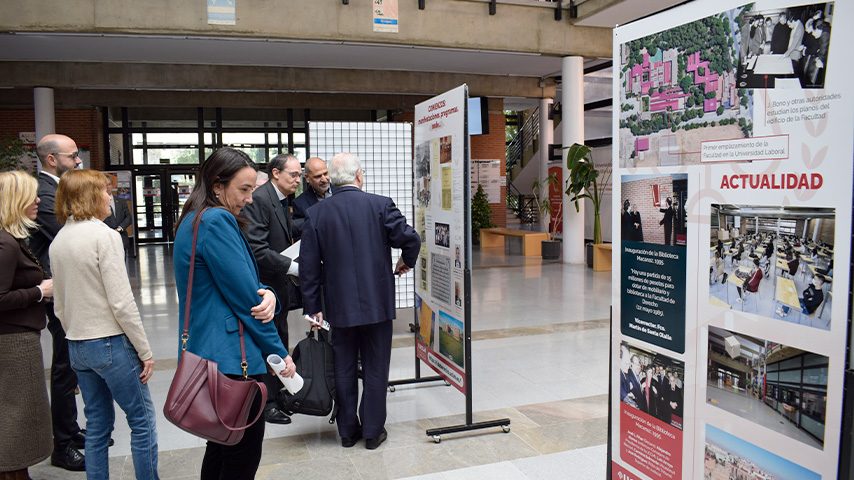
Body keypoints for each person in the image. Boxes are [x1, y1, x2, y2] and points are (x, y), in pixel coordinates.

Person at [173, 148, 295, 479]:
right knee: (240, 460)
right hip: (235, 362)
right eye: (243, 189)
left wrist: (267, 292)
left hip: (210, 353)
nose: (250, 199)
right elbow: (247, 301)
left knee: (222, 446)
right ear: (216, 185)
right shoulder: (217, 220)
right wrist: (279, 354)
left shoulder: (193, 219)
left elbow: (245, 286)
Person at [299, 153, 421, 450]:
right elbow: (411, 238)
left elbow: (309, 267)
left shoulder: (317, 214)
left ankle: (347, 431)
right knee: (376, 368)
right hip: (377, 304)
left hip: (338, 308)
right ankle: (373, 431)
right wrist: (406, 261)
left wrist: (313, 308)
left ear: (334, 180)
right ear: (359, 176)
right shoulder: (380, 205)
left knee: (342, 368)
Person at [50, 169, 159, 479]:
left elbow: (59, 304)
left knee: (97, 423)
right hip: (110, 343)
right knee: (142, 421)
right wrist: (145, 350)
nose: (112, 197)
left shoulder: (59, 240)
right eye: (106, 192)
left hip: (77, 345)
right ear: (90, 197)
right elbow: (122, 303)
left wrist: (76, 332)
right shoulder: (106, 236)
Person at [27, 133, 86, 471]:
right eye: (73, 155)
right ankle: (62, 446)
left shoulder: (55, 190)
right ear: (52, 159)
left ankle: (70, 430)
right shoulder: (46, 192)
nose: (78, 160)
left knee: (70, 366)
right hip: (56, 292)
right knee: (65, 368)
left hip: (63, 289)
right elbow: (68, 228)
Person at [240, 153, 302, 426]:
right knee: (270, 342)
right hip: (266, 287)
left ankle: (278, 395)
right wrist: (293, 267)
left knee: (279, 337)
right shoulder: (261, 199)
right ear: (276, 173)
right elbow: (257, 249)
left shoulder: (279, 199)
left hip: (278, 286)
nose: (298, 180)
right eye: (294, 175)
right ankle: (266, 403)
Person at [0, 171, 53, 480]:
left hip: (19, 336)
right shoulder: (6, 244)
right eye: (31, 195)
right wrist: (38, 292)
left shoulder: (11, 238)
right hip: (13, 341)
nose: (37, 200)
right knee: (18, 414)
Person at [292, 156, 332, 237]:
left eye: (325, 173)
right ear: (307, 178)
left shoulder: (341, 192)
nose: (324, 179)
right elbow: (299, 237)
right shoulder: (299, 203)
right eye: (318, 176)